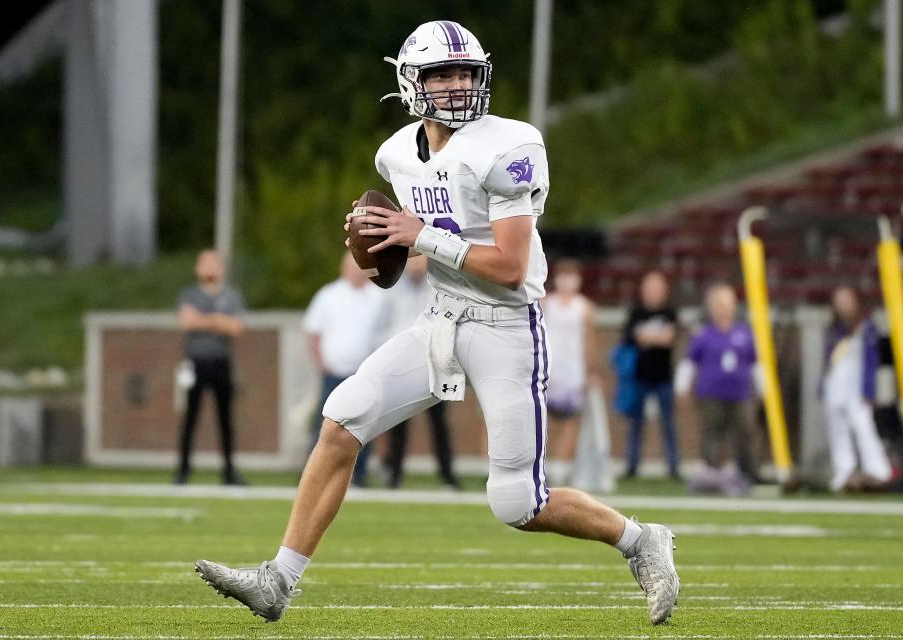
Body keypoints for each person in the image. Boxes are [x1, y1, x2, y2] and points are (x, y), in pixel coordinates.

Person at [195, 21, 679, 626]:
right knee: (342, 418)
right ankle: (278, 580)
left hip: (507, 327)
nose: (456, 85)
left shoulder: (511, 147)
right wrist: (385, 251)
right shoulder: (396, 153)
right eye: (441, 74)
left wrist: (417, 237)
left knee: (517, 503)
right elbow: (407, 251)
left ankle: (640, 540)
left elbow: (507, 265)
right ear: (409, 82)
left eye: (465, 73)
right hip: (443, 318)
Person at [375, 256, 461, 489]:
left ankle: (447, 476)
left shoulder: (438, 286)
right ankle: (394, 474)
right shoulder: (391, 288)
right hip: (402, 364)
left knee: (439, 424)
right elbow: (382, 326)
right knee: (397, 423)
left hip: (434, 362)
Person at [302, 252, 383, 487]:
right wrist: (321, 365)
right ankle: (317, 477)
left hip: (364, 375)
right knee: (327, 425)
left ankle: (358, 477)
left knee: (364, 427)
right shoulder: (328, 296)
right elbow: (313, 332)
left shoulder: (378, 297)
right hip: (333, 372)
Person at [676, 283, 760, 495]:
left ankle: (748, 474)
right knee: (711, 435)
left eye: (726, 303)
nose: (723, 308)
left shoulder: (745, 333)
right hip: (711, 394)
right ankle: (711, 478)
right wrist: (682, 387)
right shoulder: (703, 334)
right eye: (718, 303)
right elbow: (689, 361)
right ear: (711, 307)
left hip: (741, 394)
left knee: (746, 433)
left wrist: (763, 387)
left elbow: (755, 362)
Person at [175, 249, 246, 486]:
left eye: (214, 264)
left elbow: (236, 328)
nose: (210, 269)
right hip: (196, 362)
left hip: (221, 362)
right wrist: (218, 320)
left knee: (225, 419)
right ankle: (182, 470)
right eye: (205, 264)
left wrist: (204, 320)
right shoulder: (190, 295)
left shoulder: (230, 296)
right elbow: (187, 322)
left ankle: (229, 471)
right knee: (190, 418)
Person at [822, 286, 893, 492]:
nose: (843, 305)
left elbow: (872, 361)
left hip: (856, 388)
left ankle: (879, 471)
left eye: (847, 300)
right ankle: (844, 473)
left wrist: (869, 389)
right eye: (839, 300)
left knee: (864, 427)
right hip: (835, 387)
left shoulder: (866, 327)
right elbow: (828, 361)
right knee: (838, 432)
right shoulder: (835, 328)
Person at [541, 258, 599, 485]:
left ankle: (561, 467)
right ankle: (540, 463)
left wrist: (590, 371)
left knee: (569, 421)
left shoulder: (584, 307)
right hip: (549, 369)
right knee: (542, 419)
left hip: (573, 371)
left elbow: (589, 341)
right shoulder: (547, 303)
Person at [622, 270, 680, 479]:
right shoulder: (636, 312)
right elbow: (630, 338)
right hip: (640, 376)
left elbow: (669, 339)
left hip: (663, 377)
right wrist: (656, 337)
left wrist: (647, 337)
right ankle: (632, 465)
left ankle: (673, 466)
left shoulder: (670, 311)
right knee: (635, 424)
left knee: (668, 423)